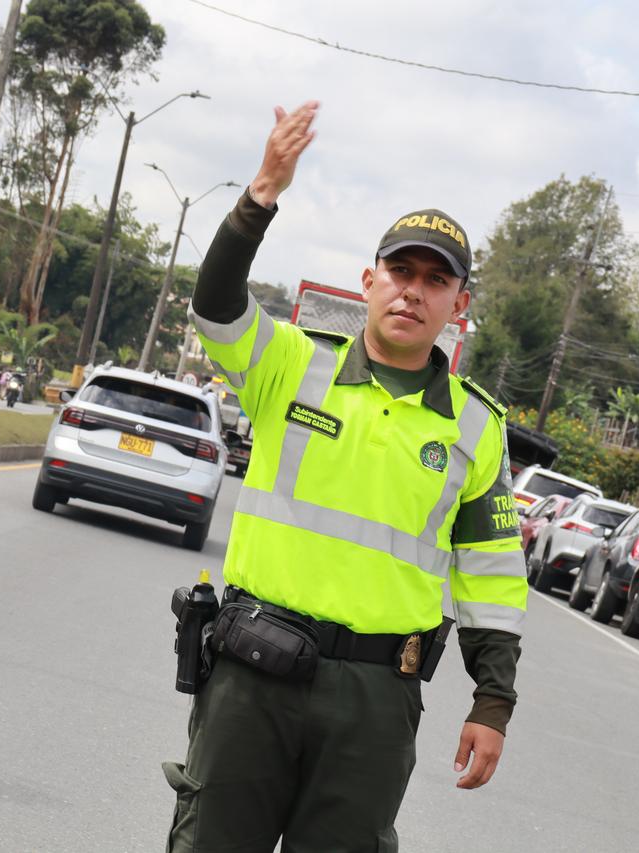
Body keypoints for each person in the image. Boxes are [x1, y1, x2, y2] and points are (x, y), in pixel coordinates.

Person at [164, 101, 526, 852]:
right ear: (369, 280)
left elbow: (491, 574)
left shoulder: (475, 426)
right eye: (400, 271)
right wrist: (262, 192)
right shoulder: (292, 365)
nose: (412, 291)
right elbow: (216, 307)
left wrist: (492, 702)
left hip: (377, 697)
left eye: (435, 280)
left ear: (459, 306)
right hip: (254, 671)